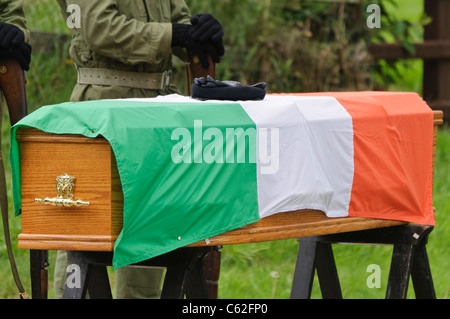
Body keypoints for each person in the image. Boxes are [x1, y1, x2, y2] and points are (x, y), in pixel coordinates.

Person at [54, 0, 224, 299]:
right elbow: (99, 28)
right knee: (84, 223)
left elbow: (179, 24)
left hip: (157, 111)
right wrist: (174, 35)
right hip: (103, 106)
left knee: (150, 220)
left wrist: (201, 32)